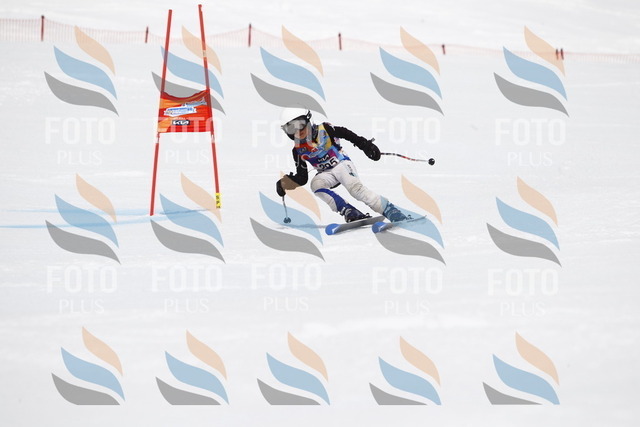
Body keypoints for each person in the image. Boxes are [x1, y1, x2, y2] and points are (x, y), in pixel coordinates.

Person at [275, 108, 407, 223]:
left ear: (308, 119)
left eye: (300, 124)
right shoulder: (298, 150)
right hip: (326, 174)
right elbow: (302, 177)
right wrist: (286, 183)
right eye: (291, 128)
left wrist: (365, 145)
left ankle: (390, 210)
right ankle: (348, 210)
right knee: (316, 185)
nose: (298, 131)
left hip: (341, 164)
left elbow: (345, 133)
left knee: (356, 190)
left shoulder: (325, 130)